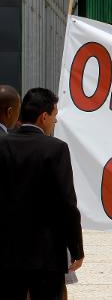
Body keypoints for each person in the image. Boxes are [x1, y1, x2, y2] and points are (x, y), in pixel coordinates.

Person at [0, 88, 84, 299]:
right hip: (46, 255)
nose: (54, 122)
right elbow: (67, 203)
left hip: (7, 254)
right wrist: (76, 248)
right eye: (54, 116)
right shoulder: (56, 149)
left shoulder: (3, 144)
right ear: (44, 116)